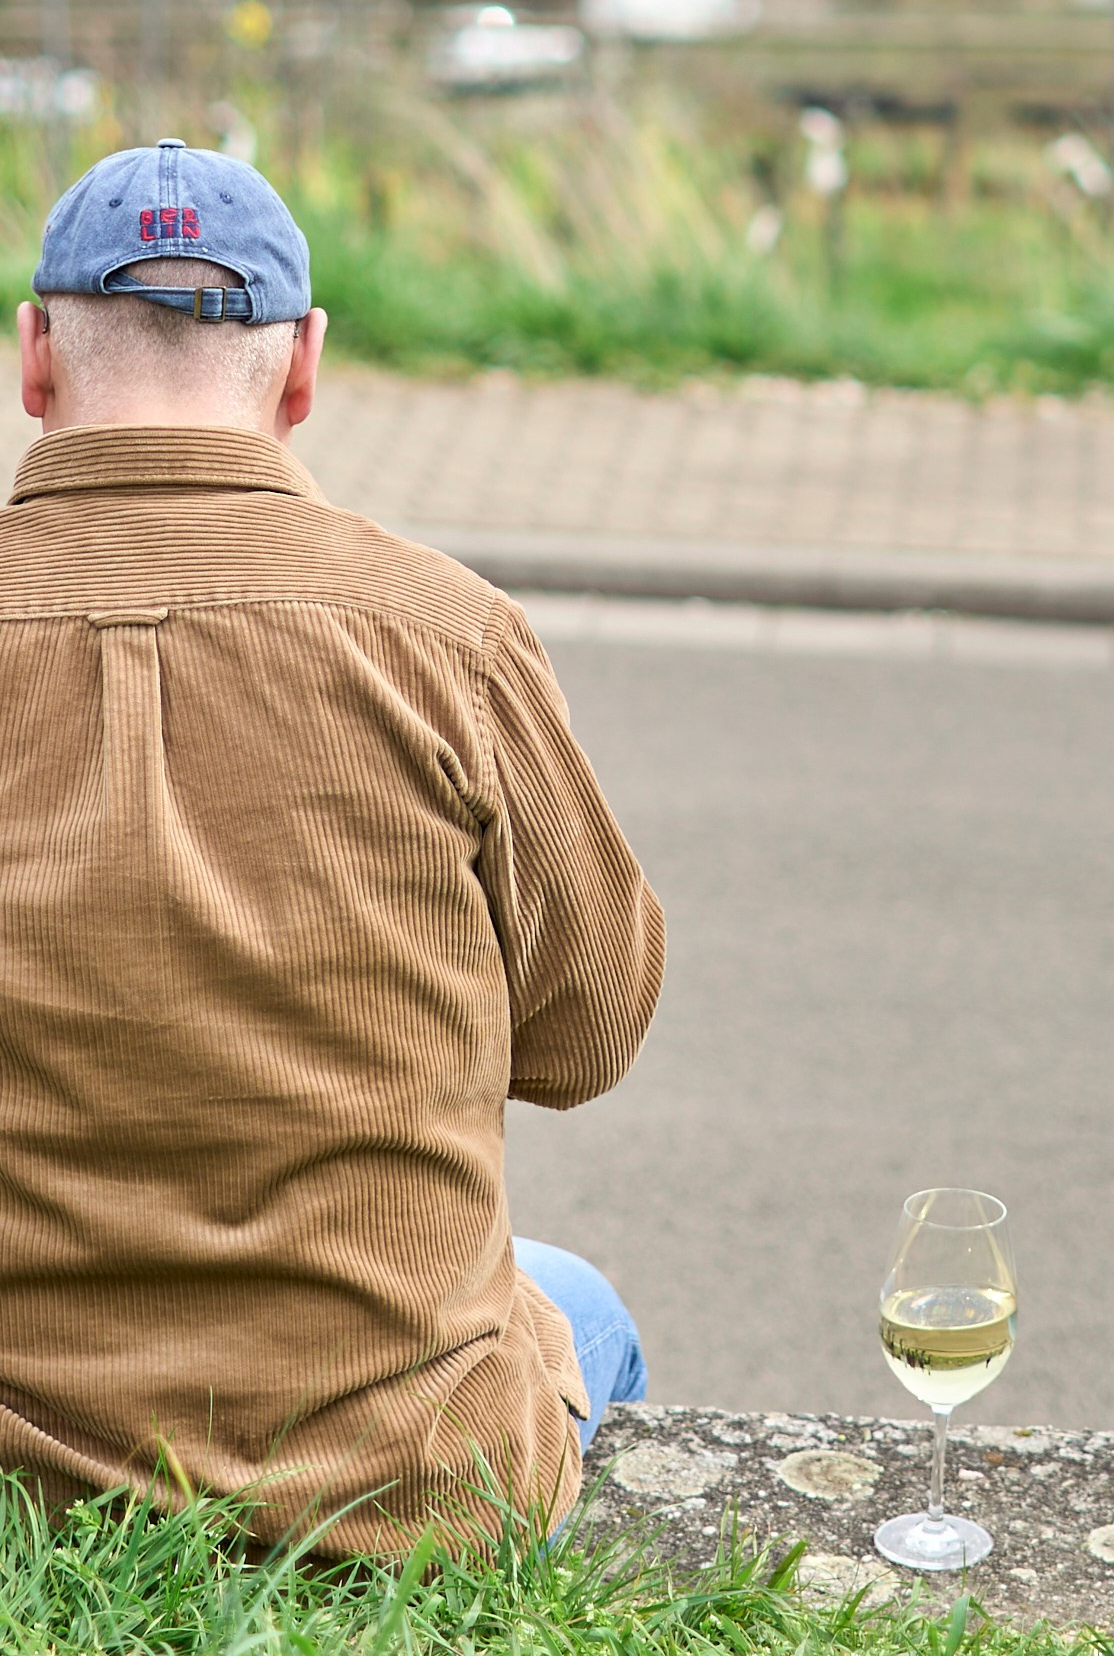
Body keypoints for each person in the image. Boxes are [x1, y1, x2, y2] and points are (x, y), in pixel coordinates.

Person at [0, 140, 664, 1553]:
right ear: (302, 369)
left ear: (35, 361)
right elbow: (589, 1036)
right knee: (575, 1302)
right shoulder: (448, 638)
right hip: (397, 1476)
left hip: (19, 1468)